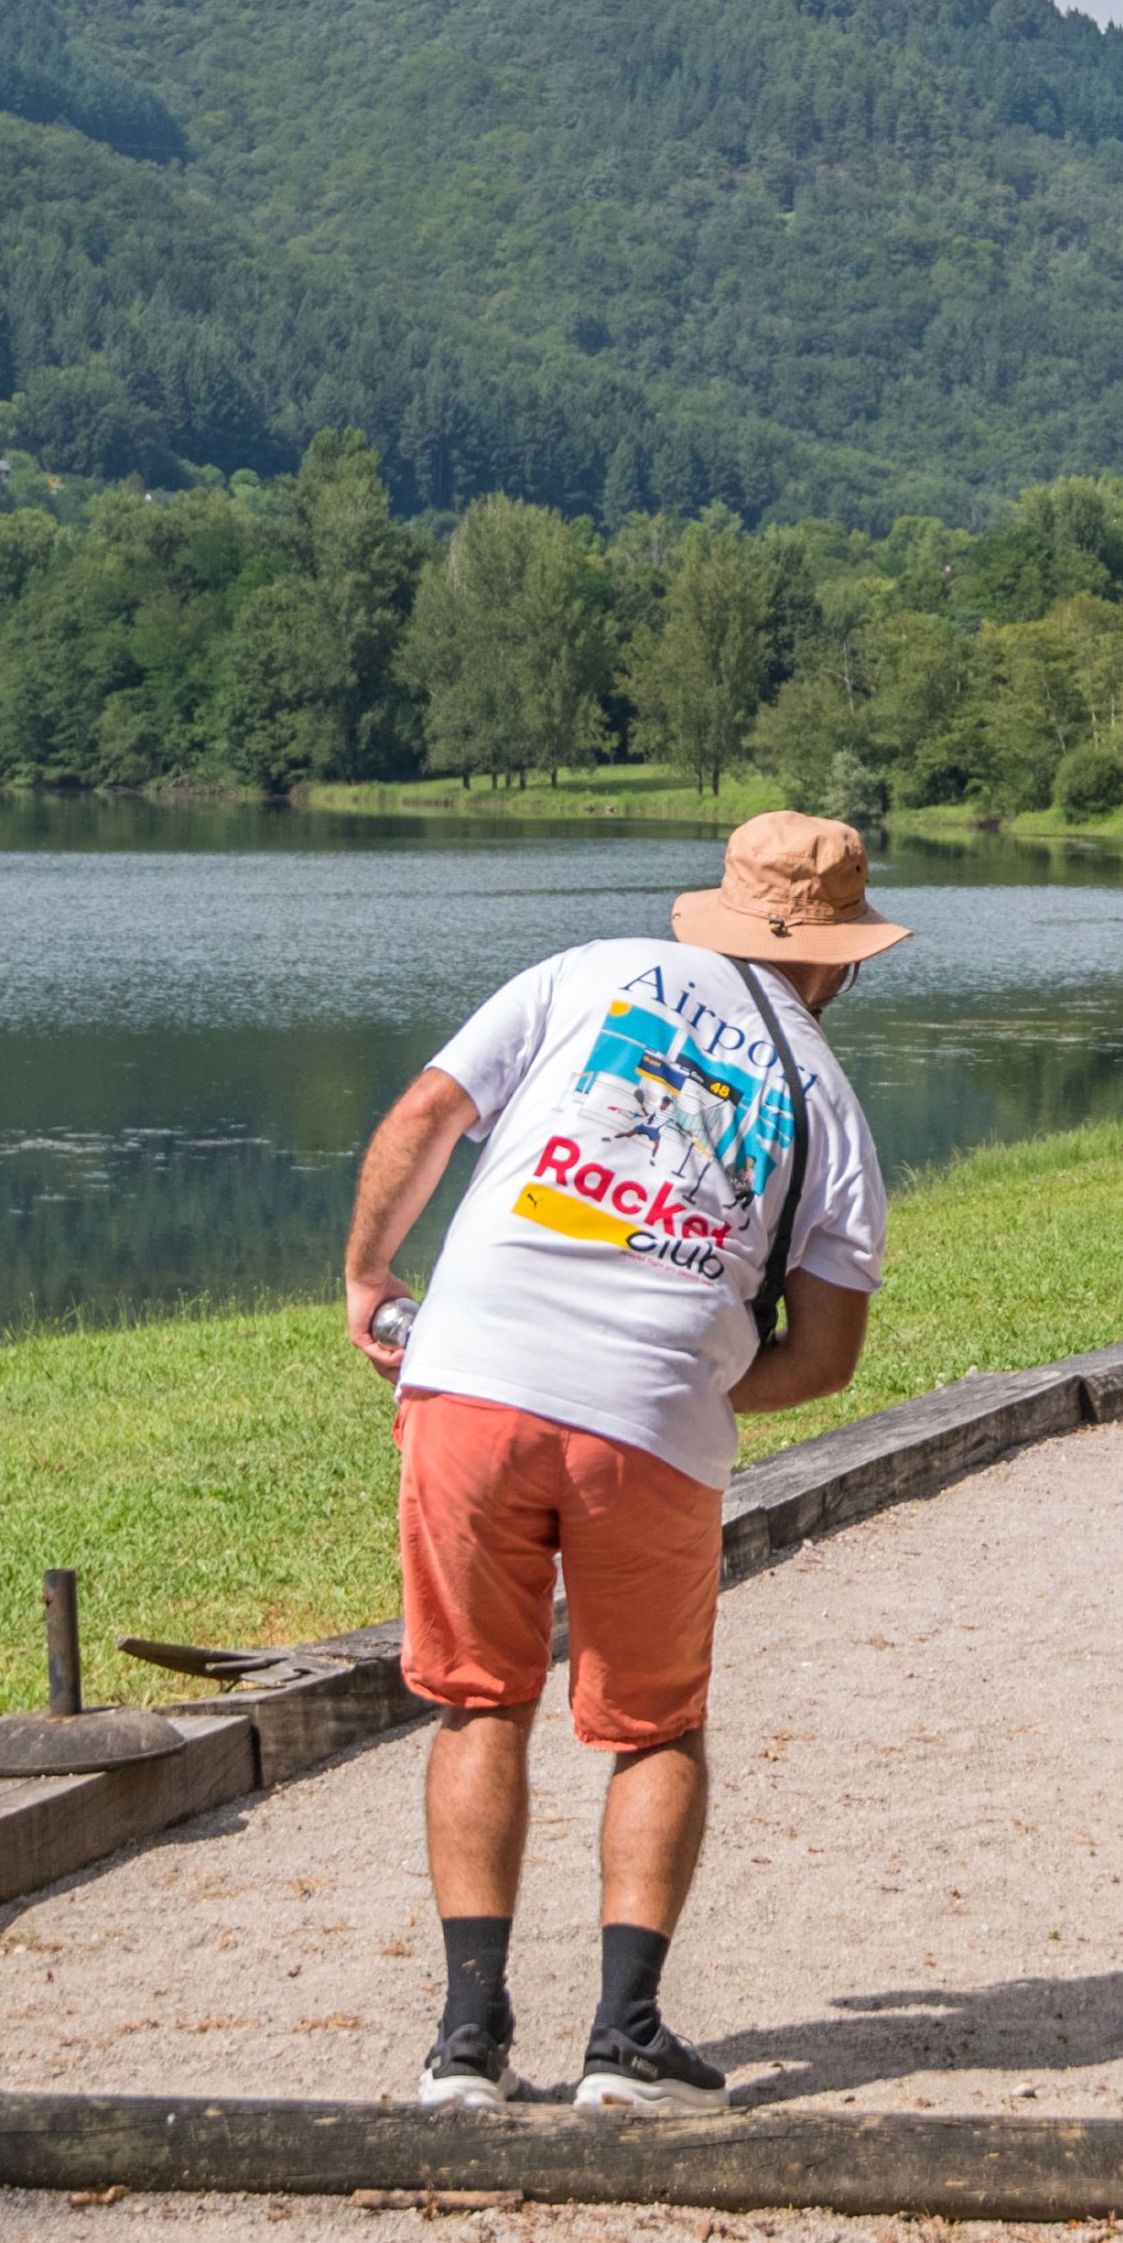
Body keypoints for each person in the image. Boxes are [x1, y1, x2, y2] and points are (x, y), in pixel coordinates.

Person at [342, 810, 898, 2111]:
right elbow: (825, 1357)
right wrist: (682, 1379)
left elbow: (427, 1114)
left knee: (479, 1703)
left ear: (723, 910)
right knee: (655, 1728)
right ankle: (626, 2039)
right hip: (648, 1429)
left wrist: (371, 1274)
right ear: (838, 962)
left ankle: (465, 2044)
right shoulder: (828, 1103)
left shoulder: (584, 974)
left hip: (469, 1383)